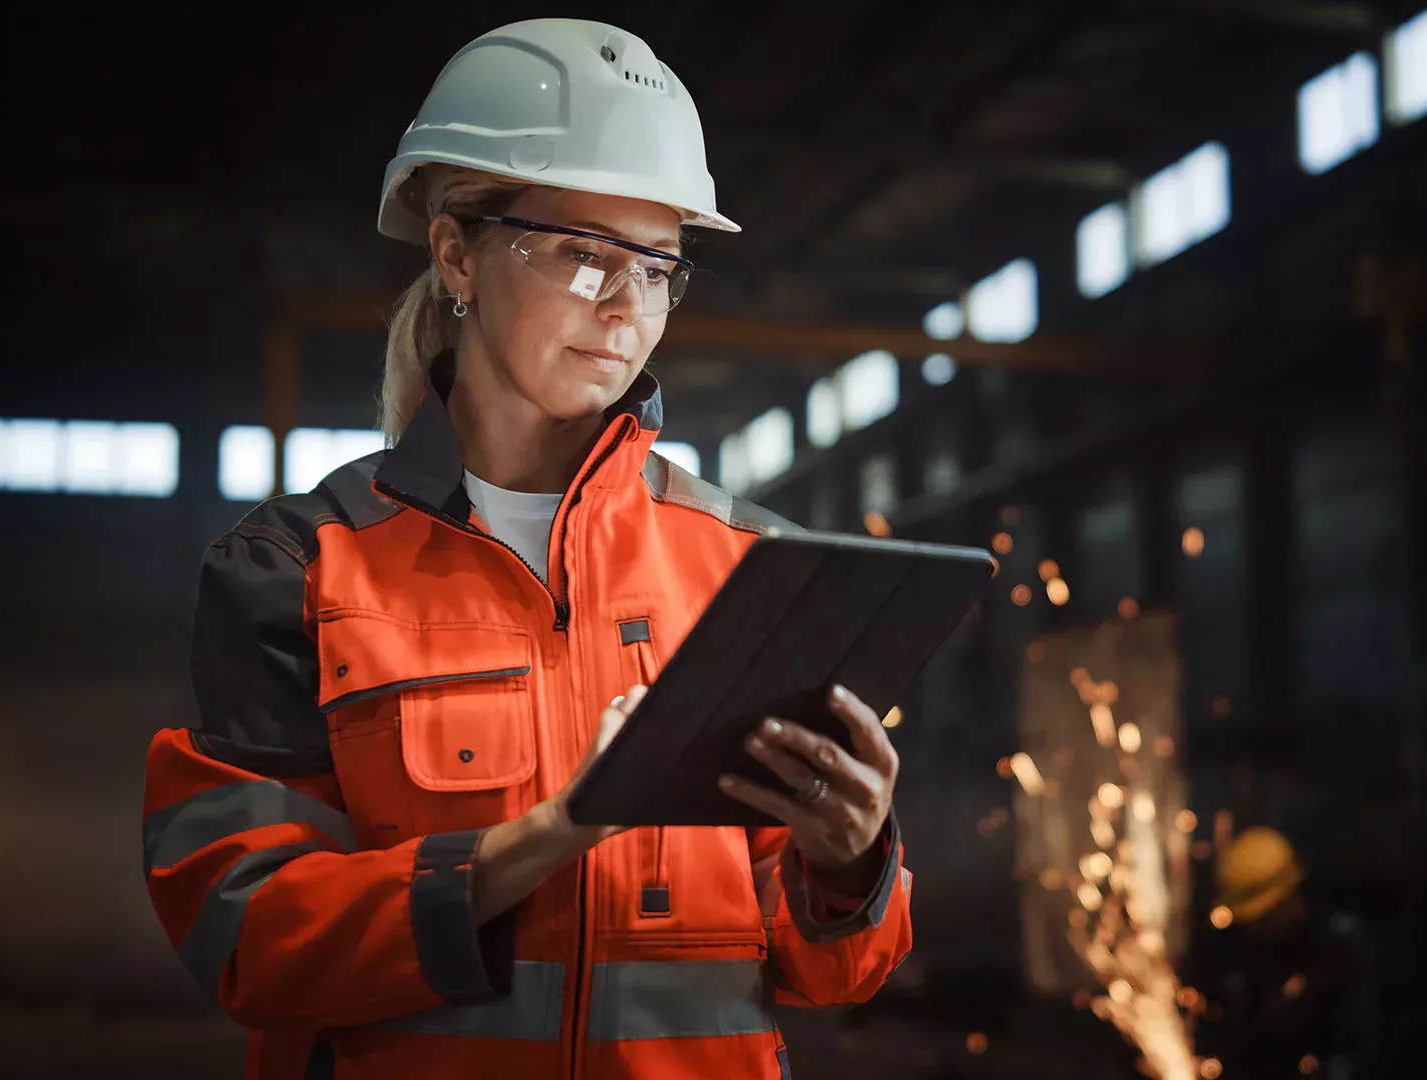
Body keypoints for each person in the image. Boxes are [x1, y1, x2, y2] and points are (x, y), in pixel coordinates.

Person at [139, 20, 911, 1079]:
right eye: (585, 256)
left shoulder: (752, 568)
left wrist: (851, 859)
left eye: (657, 269)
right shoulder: (296, 570)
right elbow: (252, 943)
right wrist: (550, 834)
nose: (625, 310)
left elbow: (836, 974)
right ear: (457, 250)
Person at [1193, 828, 1378, 1079]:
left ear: (1287, 898)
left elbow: (1356, 1046)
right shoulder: (1232, 951)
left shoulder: (1336, 949)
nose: (1253, 927)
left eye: (1262, 917)